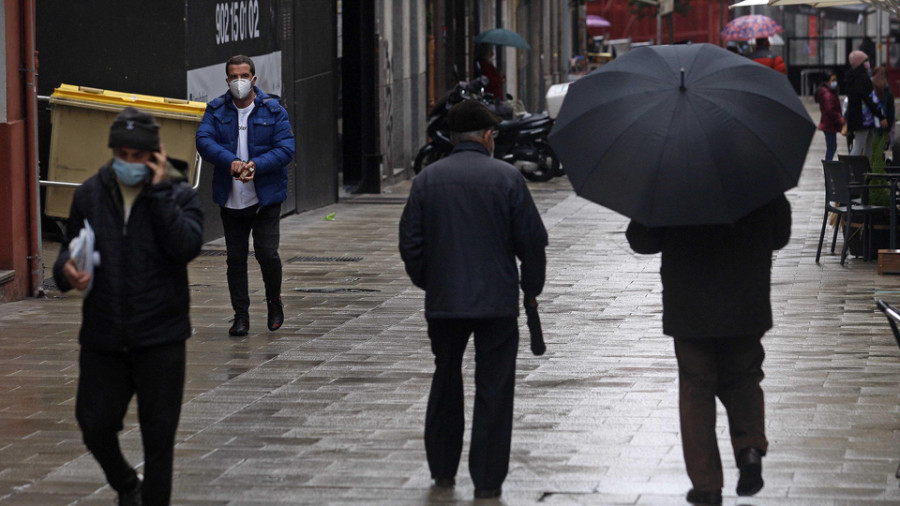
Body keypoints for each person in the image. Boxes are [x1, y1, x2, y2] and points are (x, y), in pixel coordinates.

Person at [53, 107, 204, 505]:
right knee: (94, 426)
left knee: (159, 439)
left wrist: (157, 194)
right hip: (104, 336)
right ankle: (125, 484)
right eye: (123, 154)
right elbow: (68, 251)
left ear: (156, 154)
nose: (130, 163)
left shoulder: (179, 195)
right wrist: (68, 271)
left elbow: (185, 247)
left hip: (161, 338)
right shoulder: (89, 194)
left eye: (139, 156)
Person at [398, 100, 548, 500]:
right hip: (496, 303)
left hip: (445, 302)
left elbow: (410, 244)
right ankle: (487, 480)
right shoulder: (508, 179)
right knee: (494, 389)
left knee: (445, 380)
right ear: (486, 137)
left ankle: (443, 471)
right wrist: (530, 288)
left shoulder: (427, 180)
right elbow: (532, 243)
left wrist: (431, 282)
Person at [625, 195, 791, 506]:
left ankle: (707, 485)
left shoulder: (673, 180)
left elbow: (641, 240)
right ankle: (750, 450)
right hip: (745, 301)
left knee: (696, 391)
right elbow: (780, 234)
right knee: (745, 379)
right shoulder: (758, 175)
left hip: (690, 306)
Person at [196, 54, 296, 337]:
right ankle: (241, 316)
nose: (239, 81)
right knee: (235, 259)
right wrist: (231, 162)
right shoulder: (216, 110)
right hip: (231, 198)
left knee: (266, 253)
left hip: (265, 196)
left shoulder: (273, 110)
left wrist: (255, 165)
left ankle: (274, 301)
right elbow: (204, 141)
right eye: (233, 76)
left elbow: (286, 148)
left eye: (244, 76)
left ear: (254, 79)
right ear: (227, 80)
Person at [844, 50, 887, 159]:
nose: (868, 63)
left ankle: (865, 171)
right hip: (862, 119)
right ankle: (851, 169)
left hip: (860, 118)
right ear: (859, 63)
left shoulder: (852, 78)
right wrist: (880, 116)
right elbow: (869, 99)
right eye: (865, 61)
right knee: (859, 146)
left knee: (868, 146)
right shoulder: (862, 78)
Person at [815, 72, 844, 161]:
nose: (835, 82)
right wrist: (840, 119)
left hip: (828, 124)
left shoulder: (827, 92)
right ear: (826, 82)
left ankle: (828, 165)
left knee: (832, 147)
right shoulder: (827, 95)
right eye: (832, 80)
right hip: (829, 124)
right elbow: (830, 110)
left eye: (835, 80)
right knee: (831, 147)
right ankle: (828, 166)